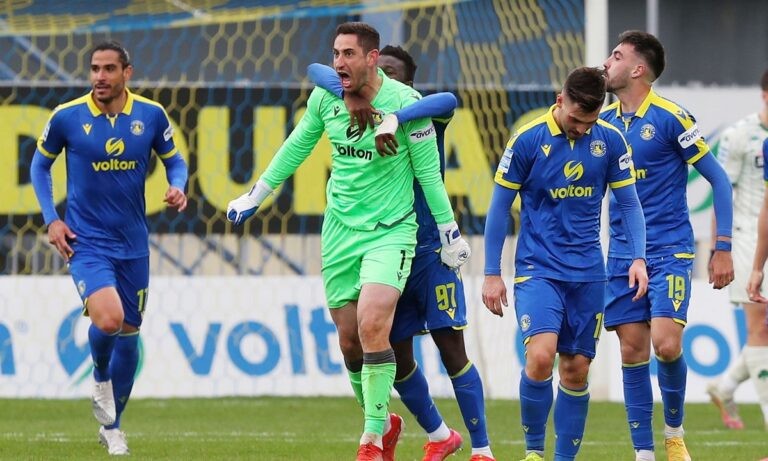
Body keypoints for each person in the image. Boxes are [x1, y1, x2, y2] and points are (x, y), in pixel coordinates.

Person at [226, 22, 470, 461]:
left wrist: (449, 232)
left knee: (373, 325)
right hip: (340, 230)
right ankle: (385, 421)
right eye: (336, 54)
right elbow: (296, 147)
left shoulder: (406, 105)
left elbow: (429, 176)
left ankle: (371, 440)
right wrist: (255, 195)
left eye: (348, 54)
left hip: (391, 231)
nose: (339, 62)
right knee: (349, 342)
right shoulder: (327, 98)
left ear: (372, 58)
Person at [308, 45, 495, 461]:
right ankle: (439, 435)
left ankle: (482, 449)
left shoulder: (420, 115)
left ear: (407, 84)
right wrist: (351, 95)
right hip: (385, 248)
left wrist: (396, 115)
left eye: (390, 73)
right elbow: (315, 70)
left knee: (451, 347)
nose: (379, 78)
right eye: (376, 71)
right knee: (393, 351)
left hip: (430, 251)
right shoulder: (357, 113)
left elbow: (448, 100)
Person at [29, 40, 189, 456]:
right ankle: (99, 375)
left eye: (108, 69)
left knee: (130, 333)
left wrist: (178, 186)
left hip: (133, 244)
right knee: (109, 319)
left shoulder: (151, 115)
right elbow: (39, 165)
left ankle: (113, 427)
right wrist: (52, 219)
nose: (99, 77)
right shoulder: (67, 117)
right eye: (95, 69)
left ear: (126, 73)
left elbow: (175, 160)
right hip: (86, 242)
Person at [483, 66, 649, 461]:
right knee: (541, 356)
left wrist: (638, 257)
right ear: (560, 100)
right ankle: (533, 453)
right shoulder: (527, 140)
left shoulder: (610, 140)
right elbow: (499, 208)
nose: (581, 128)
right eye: (575, 119)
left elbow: (629, 204)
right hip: (538, 268)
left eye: (589, 122)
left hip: (589, 273)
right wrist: (492, 272)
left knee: (576, 368)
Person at [601, 30, 734, 461]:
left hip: (669, 249)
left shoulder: (672, 117)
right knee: (632, 350)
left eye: (616, 56)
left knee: (667, 344)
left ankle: (674, 435)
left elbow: (718, 180)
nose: (606, 62)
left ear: (638, 69)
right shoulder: (602, 122)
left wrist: (723, 246)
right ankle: (644, 453)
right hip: (622, 253)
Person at [706, 69, 768, 431]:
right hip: (748, 240)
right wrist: (719, 248)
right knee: (760, 330)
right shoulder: (739, 135)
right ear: (764, 95)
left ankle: (726, 385)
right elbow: (721, 192)